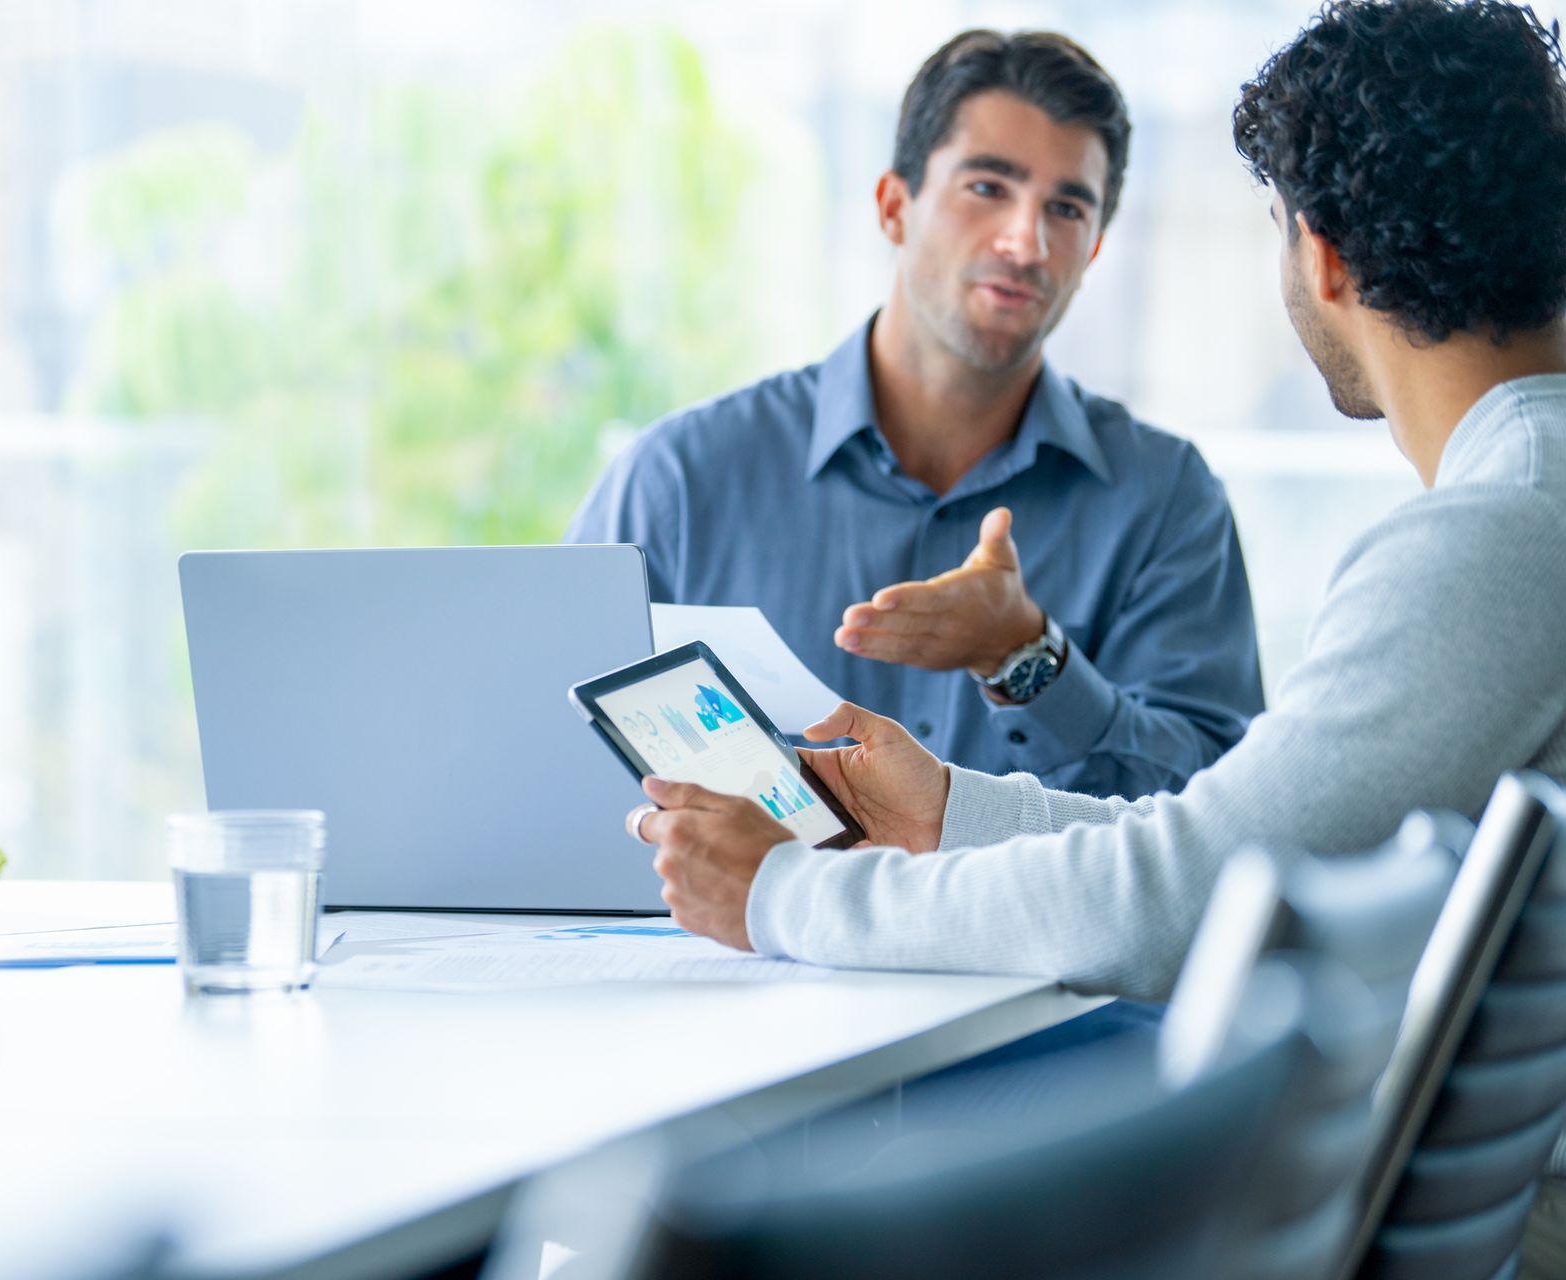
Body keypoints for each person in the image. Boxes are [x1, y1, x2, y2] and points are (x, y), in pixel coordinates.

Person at [626, 0, 1566, 1003]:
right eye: (986, 187)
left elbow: (1205, 891)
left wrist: (786, 891)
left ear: (1322, 254)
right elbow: (1229, 837)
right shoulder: (1521, 503)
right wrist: (943, 811)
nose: (1024, 241)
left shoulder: (1492, 535)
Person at [566, 30, 1265, 802]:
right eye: (988, 187)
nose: (1025, 242)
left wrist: (1027, 658)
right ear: (894, 207)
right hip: (727, 927)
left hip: (1027, 927)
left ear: (1094, 249)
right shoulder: (678, 483)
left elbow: (1218, 811)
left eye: (1066, 208)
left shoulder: (1167, 501)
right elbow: (556, 763)